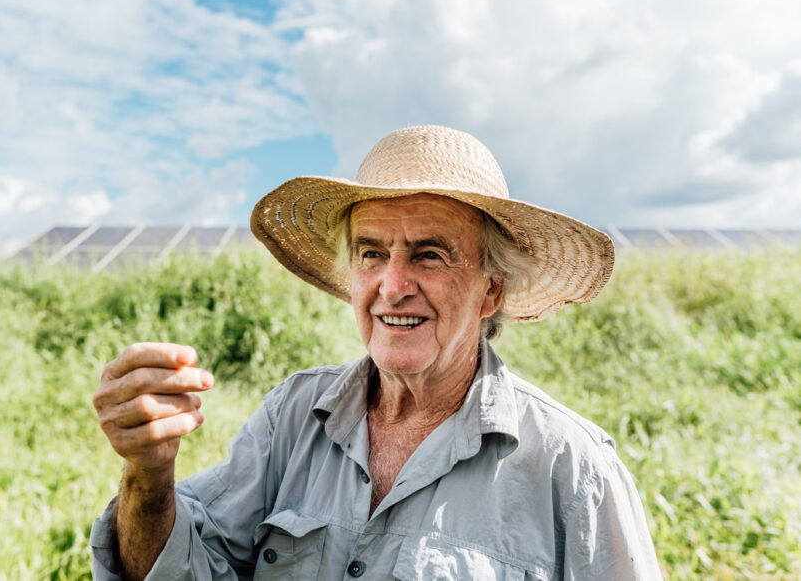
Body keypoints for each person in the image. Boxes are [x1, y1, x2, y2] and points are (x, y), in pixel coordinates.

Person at [90, 125, 662, 580]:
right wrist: (148, 473)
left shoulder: (571, 467)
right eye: (370, 254)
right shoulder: (293, 417)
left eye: (429, 255)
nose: (392, 285)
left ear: (491, 290)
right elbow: (178, 571)